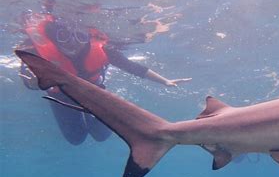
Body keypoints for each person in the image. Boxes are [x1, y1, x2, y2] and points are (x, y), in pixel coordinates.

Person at [19, 12, 192, 145]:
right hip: (62, 97)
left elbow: (132, 67)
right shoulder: (37, 52)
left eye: (80, 37)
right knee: (76, 139)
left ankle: (95, 115)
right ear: (54, 40)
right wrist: (33, 84)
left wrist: (165, 81)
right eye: (63, 38)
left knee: (101, 136)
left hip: (95, 94)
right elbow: (28, 80)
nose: (73, 43)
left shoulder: (101, 50)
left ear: (87, 37)